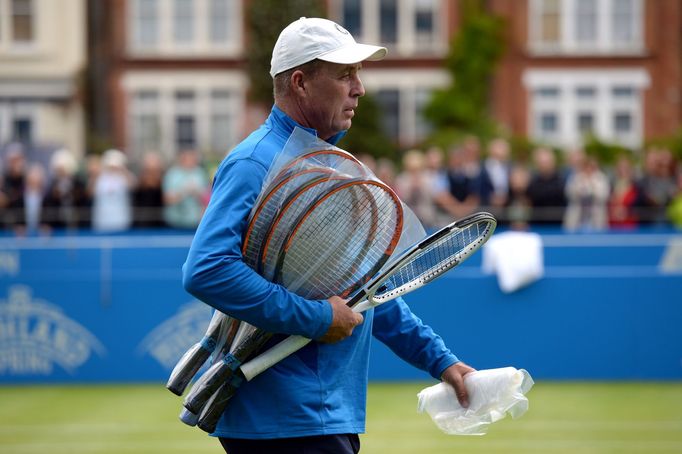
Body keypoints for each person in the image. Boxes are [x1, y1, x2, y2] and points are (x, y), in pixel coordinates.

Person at [182, 17, 473, 454]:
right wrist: (317, 318)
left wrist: (441, 361)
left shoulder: (329, 161)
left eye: (358, 74)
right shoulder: (255, 161)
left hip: (312, 416)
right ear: (300, 82)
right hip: (289, 419)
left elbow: (361, 292)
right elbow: (207, 270)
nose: (359, 88)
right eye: (344, 74)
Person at [162, 149, 208, 230]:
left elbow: (207, 199)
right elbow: (167, 199)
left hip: (196, 222)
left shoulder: (200, 173)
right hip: (175, 222)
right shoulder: (172, 174)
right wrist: (184, 192)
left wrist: (197, 193)